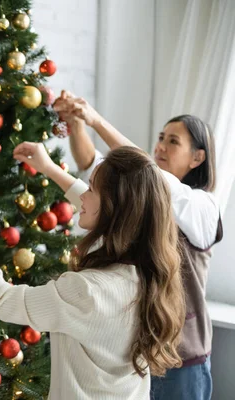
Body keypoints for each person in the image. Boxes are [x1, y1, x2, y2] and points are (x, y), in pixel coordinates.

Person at [0, 143, 185, 400]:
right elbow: (106, 209)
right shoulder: (149, 273)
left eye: (92, 189)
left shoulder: (86, 291)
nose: (83, 195)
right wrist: (48, 168)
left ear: (112, 208)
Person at [54, 91, 223, 400]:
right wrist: (77, 125)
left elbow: (147, 171)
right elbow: (93, 167)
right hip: (138, 355)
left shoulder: (203, 207)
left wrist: (95, 119)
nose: (160, 145)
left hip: (182, 363)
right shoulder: (144, 198)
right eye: (161, 137)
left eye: (174, 141)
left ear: (198, 157)